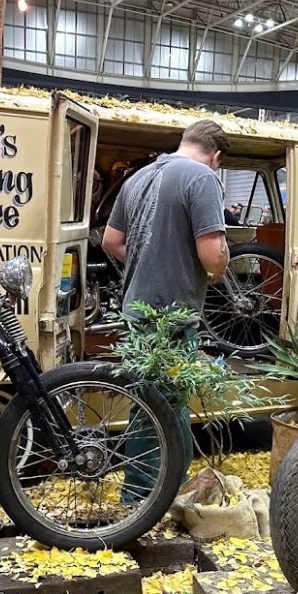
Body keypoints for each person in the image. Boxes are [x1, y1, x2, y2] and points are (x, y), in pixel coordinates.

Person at [102, 119, 230, 497]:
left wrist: (147, 262)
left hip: (137, 307)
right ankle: (141, 495)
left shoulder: (138, 177)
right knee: (157, 406)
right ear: (215, 156)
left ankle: (172, 483)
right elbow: (212, 255)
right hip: (170, 312)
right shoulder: (202, 177)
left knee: (164, 401)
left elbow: (111, 240)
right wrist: (220, 267)